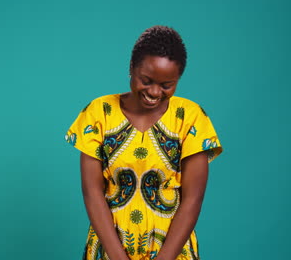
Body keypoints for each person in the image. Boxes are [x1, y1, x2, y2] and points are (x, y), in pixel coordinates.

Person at [65, 25, 223, 260]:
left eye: (166, 85)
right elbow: (91, 192)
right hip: (109, 248)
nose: (154, 92)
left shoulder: (191, 119)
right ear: (131, 68)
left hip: (172, 252)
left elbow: (193, 199)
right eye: (146, 80)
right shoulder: (98, 114)